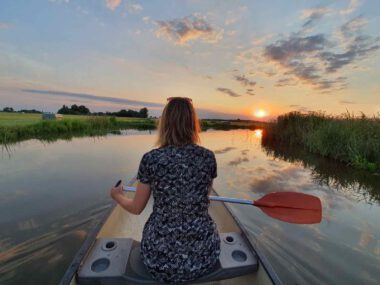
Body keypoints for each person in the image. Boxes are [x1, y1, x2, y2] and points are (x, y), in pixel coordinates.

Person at [110, 97, 220, 283]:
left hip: (159, 258)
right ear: (193, 124)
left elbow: (136, 208)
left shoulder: (151, 159)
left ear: (165, 123)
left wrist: (117, 196)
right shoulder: (208, 157)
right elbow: (204, 198)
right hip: (203, 254)